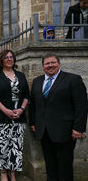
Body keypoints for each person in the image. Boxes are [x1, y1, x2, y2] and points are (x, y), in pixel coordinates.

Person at [29, 53, 87, 181]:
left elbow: (81, 105)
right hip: (44, 131)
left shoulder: (73, 79)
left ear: (59, 63)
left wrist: (78, 128)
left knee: (65, 165)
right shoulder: (37, 81)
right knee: (50, 164)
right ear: (43, 66)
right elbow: (33, 104)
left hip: (65, 130)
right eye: (47, 63)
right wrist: (33, 123)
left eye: (53, 62)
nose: (50, 66)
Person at [0, 49, 29, 181]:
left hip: (18, 117)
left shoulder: (21, 75)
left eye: (11, 57)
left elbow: (26, 95)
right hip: (1, 117)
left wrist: (21, 109)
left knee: (15, 147)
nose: (10, 59)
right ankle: (3, 173)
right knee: (1, 147)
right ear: (1, 60)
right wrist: (5, 110)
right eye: (6, 57)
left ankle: (13, 173)